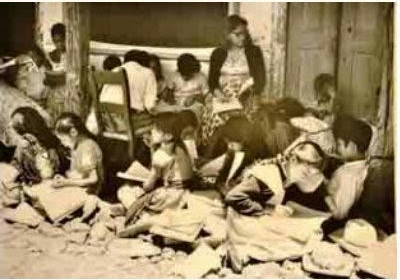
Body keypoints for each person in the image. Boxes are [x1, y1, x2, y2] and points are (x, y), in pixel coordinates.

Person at [225, 141, 328, 272]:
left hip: (255, 214)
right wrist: (269, 209)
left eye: (312, 169)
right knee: (294, 239)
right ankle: (239, 252)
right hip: (241, 217)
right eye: (306, 168)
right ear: (293, 159)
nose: (308, 173)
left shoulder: (285, 172)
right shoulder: (270, 173)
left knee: (304, 231)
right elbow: (233, 197)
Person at [117, 112, 194, 236]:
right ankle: (144, 213)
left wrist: (141, 184)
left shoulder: (160, 155)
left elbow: (148, 186)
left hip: (168, 197)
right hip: (184, 194)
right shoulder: (182, 148)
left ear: (168, 136)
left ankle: (144, 218)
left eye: (156, 129)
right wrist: (152, 147)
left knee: (124, 190)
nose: (152, 131)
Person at [201, 15, 266, 144]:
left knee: (245, 117)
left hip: (247, 94)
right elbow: (212, 82)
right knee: (214, 114)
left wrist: (249, 94)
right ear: (227, 35)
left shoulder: (254, 52)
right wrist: (219, 95)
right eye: (238, 34)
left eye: (244, 33)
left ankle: (242, 148)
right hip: (223, 96)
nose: (243, 37)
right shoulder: (218, 53)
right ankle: (216, 148)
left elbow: (260, 80)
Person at [0, 107, 68, 207]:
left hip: (37, 191)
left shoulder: (24, 144)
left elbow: (15, 172)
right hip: (56, 184)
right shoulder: (52, 139)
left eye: (16, 122)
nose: (10, 124)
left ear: (25, 124)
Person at [321, 115, 375, 234]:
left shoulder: (348, 175)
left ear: (352, 147)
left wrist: (322, 190)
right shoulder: (360, 167)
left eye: (339, 144)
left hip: (332, 225)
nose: (336, 148)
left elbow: (339, 213)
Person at [45, 23, 68, 122]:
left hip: (66, 95)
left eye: (61, 41)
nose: (59, 44)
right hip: (53, 95)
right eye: (55, 41)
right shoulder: (48, 56)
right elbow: (45, 78)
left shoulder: (71, 56)